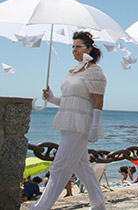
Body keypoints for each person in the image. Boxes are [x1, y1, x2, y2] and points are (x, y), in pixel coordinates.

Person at [31, 31, 106, 210]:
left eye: (78, 46)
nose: (74, 50)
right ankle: (98, 204)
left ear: (89, 48)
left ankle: (41, 207)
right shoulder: (74, 70)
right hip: (68, 121)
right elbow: (69, 100)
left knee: (59, 167)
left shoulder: (95, 72)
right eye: (73, 47)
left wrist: (95, 126)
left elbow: (98, 100)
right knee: (83, 167)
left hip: (81, 124)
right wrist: (52, 98)